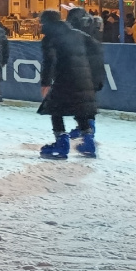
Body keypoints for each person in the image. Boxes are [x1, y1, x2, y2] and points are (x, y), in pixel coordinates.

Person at [38, 9, 104, 159]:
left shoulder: (50, 37)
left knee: (55, 108)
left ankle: (61, 143)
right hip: (83, 77)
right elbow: (96, 50)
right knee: (79, 107)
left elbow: (49, 60)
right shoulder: (78, 34)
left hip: (65, 77)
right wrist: (94, 76)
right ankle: (88, 142)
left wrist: (46, 82)